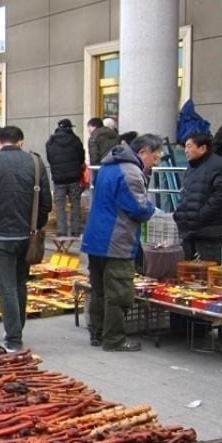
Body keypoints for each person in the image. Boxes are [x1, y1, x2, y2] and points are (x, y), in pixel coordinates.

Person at [0, 125, 52, 351]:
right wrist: (36, 226)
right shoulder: (36, 163)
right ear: (21, 141)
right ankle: (16, 330)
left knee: (6, 286)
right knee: (19, 283)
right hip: (28, 236)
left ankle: (14, 338)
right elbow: (46, 202)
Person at [81, 134, 159, 352]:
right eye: (155, 156)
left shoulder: (107, 167)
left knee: (99, 289)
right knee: (118, 293)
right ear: (143, 152)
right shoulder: (131, 172)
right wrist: (152, 209)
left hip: (96, 237)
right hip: (115, 240)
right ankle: (114, 339)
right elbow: (139, 208)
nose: (157, 161)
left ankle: (97, 332)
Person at [173, 132, 222, 263]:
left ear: (202, 148)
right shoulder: (192, 166)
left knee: (207, 275)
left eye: (189, 146)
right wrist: (179, 215)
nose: (186, 151)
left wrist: (201, 215)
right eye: (185, 147)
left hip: (207, 232)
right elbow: (187, 194)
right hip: (188, 232)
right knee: (188, 276)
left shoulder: (219, 165)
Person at [45, 118, 86, 237]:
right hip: (74, 178)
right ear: (69, 128)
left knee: (59, 206)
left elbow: (50, 158)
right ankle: (75, 230)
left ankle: (61, 231)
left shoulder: (51, 141)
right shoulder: (75, 139)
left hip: (58, 179)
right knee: (75, 204)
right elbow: (81, 158)